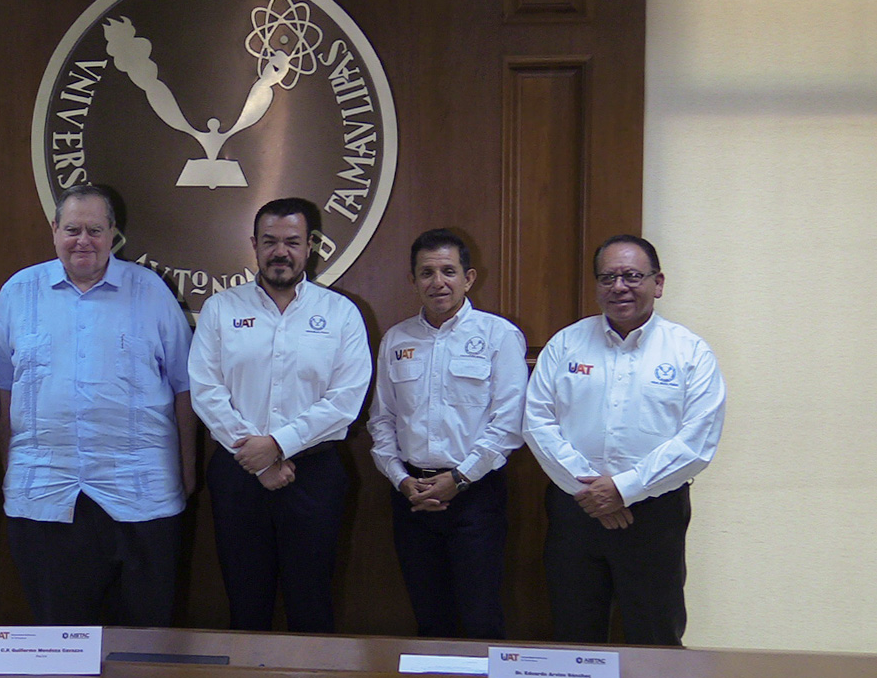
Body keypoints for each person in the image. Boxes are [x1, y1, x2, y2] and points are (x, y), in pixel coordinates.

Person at [0, 184, 195, 627]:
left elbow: (184, 385)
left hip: (141, 494)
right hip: (45, 494)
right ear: (54, 230)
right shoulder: (18, 293)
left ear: (113, 233)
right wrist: (12, 466)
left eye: (95, 231)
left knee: (143, 640)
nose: (83, 240)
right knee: (60, 638)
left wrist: (188, 471)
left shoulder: (150, 291)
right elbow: (2, 390)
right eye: (72, 230)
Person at [523, 234, 726, 645]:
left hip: (654, 514)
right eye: (608, 278)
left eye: (632, 276)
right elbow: (536, 421)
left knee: (655, 639)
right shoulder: (566, 344)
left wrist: (623, 489)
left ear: (658, 283)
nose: (619, 287)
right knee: (575, 636)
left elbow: (697, 441)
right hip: (575, 509)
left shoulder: (689, 352)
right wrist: (591, 490)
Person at [188, 197, 372, 633]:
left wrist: (277, 446)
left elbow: (346, 400)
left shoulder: (341, 314)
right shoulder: (221, 309)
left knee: (312, 604)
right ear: (254, 245)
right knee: (245, 603)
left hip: (314, 474)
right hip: (238, 473)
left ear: (310, 246)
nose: (280, 252)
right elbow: (206, 390)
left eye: (292, 241)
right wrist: (257, 459)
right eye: (269, 241)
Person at [367, 229, 527, 639]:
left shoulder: (499, 336)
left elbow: (508, 425)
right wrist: (401, 480)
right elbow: (382, 420)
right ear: (413, 280)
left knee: (480, 618)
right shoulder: (396, 339)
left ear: (468, 278)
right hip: (412, 497)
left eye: (448, 271)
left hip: (475, 497)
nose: (438, 282)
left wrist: (459, 478)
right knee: (429, 619)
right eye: (427, 273)